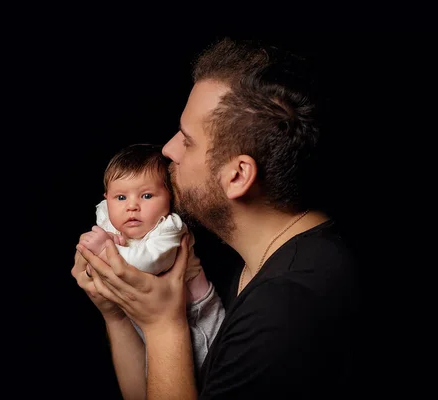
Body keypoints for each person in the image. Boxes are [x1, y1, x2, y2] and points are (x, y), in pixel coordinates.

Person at [71, 37, 360, 399]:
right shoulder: (249, 261)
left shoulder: (285, 312)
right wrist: (117, 313)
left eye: (188, 140)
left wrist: (163, 325)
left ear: (237, 176)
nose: (168, 149)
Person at [79, 143, 225, 373]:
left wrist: (105, 249)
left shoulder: (171, 227)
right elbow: (102, 215)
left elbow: (150, 263)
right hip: (150, 313)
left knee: (204, 369)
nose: (132, 206)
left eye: (147, 195)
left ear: (170, 198)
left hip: (196, 315)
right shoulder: (109, 211)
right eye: (120, 197)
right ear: (107, 198)